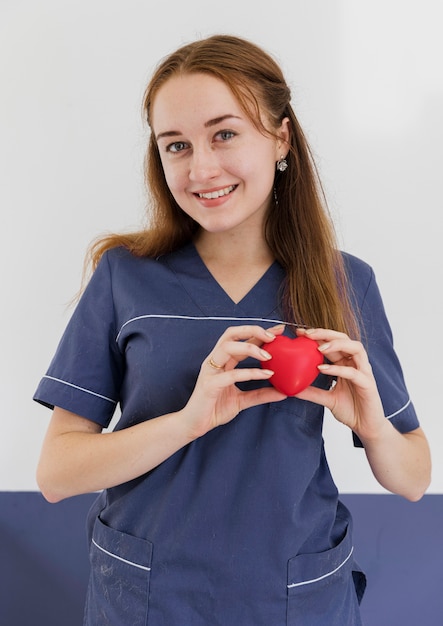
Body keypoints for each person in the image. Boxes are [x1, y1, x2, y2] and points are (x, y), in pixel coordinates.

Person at [34, 34, 431, 625]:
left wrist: (373, 426)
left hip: (296, 594)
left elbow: (414, 478)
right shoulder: (124, 277)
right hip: (147, 596)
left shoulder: (345, 282)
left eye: (225, 133)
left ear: (280, 138)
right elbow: (57, 474)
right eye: (176, 145)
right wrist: (187, 422)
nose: (201, 168)